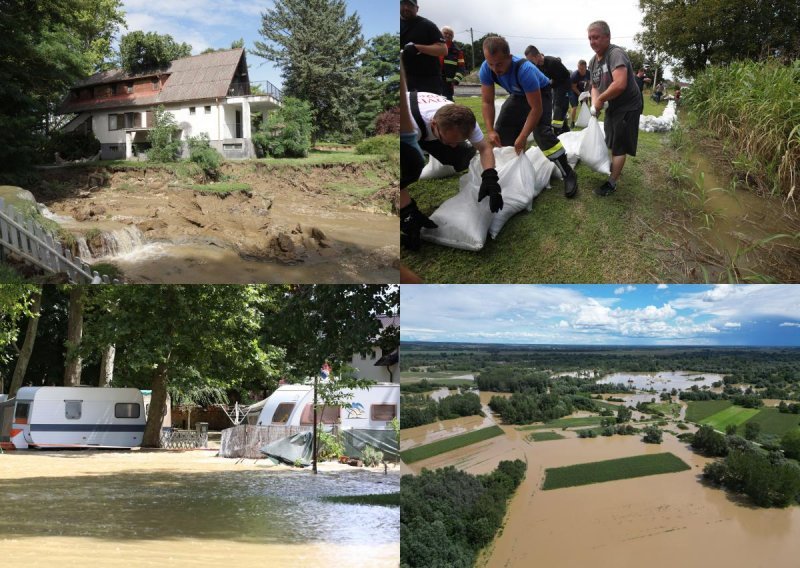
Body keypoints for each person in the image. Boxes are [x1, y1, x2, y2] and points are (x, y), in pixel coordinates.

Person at [401, 90, 503, 250]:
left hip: (428, 127)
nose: (454, 145)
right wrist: (407, 212)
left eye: (459, 140)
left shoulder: (465, 121)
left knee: (462, 156)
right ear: (434, 124)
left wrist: (490, 178)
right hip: (406, 122)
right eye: (448, 141)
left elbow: (484, 148)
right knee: (412, 166)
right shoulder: (407, 125)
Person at [479, 36, 577, 198]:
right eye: (490, 64)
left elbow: (536, 109)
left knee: (542, 133)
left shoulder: (525, 70)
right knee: (501, 132)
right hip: (518, 95)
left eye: (499, 64)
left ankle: (568, 172)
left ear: (509, 57)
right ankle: (512, 174)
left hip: (541, 93)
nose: (495, 69)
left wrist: (524, 136)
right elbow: (487, 102)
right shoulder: (486, 68)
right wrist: (489, 130)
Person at [587, 20, 644, 197]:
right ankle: (615, 167)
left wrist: (601, 99)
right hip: (613, 104)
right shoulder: (593, 61)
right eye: (589, 38)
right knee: (610, 138)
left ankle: (612, 182)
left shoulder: (616, 54)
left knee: (619, 143)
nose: (592, 42)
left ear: (607, 37)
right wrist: (596, 103)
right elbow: (595, 86)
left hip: (628, 105)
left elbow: (619, 84)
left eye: (596, 37)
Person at [400, 0, 447, 95]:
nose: (406, 8)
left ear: (417, 8)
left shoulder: (427, 25)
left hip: (427, 82)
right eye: (403, 4)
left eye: (410, 5)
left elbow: (443, 49)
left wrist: (417, 48)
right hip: (404, 80)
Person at [524, 45, 572, 135]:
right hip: (555, 88)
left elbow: (566, 76)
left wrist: (553, 83)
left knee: (559, 107)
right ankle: (565, 130)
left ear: (537, 56)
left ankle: (558, 131)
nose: (530, 62)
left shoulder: (553, 62)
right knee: (555, 107)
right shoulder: (537, 67)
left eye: (531, 60)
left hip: (563, 86)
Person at [440, 26, 466, 101]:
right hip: (433, 81)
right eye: (445, 33)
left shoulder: (457, 51)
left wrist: (456, 80)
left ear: (453, 37)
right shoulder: (433, 46)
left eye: (450, 34)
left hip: (448, 85)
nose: (447, 35)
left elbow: (461, 68)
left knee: (448, 104)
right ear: (440, 33)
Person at [569, 59, 591, 128]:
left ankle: (585, 120)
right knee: (574, 107)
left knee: (585, 105)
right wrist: (580, 94)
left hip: (582, 90)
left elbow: (589, 83)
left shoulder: (589, 73)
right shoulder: (574, 75)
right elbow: (573, 87)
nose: (580, 70)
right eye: (578, 68)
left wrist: (586, 93)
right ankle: (572, 122)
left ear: (585, 67)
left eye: (581, 68)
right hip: (573, 91)